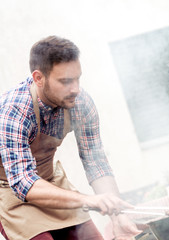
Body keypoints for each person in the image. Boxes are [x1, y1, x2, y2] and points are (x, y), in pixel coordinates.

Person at [0, 36, 141, 240]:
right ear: (39, 78)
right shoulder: (13, 111)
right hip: (11, 194)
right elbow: (23, 182)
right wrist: (88, 200)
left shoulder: (80, 102)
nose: (75, 88)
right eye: (65, 81)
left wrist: (118, 215)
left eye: (77, 78)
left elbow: (95, 161)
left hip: (50, 183)